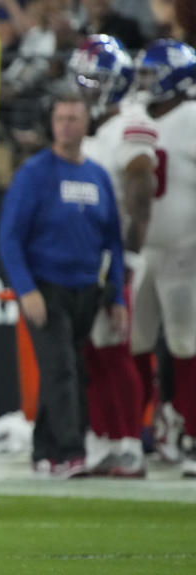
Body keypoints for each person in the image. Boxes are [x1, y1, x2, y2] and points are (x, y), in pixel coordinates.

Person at [0, 94, 125, 478]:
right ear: (51, 124)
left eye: (74, 118)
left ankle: (45, 451)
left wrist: (116, 294)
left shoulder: (98, 176)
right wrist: (26, 289)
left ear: (87, 124)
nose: (66, 125)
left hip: (86, 288)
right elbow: (9, 236)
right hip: (45, 287)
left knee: (70, 369)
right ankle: (73, 452)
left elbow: (113, 241)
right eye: (60, 118)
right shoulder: (35, 173)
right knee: (61, 370)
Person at [70, 34, 155, 477]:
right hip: (98, 256)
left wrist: (131, 258)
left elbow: (141, 197)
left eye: (94, 78)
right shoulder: (103, 128)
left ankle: (128, 444)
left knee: (115, 350)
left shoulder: (131, 123)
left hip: (119, 256)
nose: (85, 86)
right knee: (98, 352)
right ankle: (105, 441)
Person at [130, 40, 196, 478]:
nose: (144, 86)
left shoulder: (191, 117)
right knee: (133, 342)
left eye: (153, 76)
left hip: (184, 246)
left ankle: (190, 432)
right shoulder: (139, 117)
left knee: (184, 343)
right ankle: (136, 431)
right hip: (145, 249)